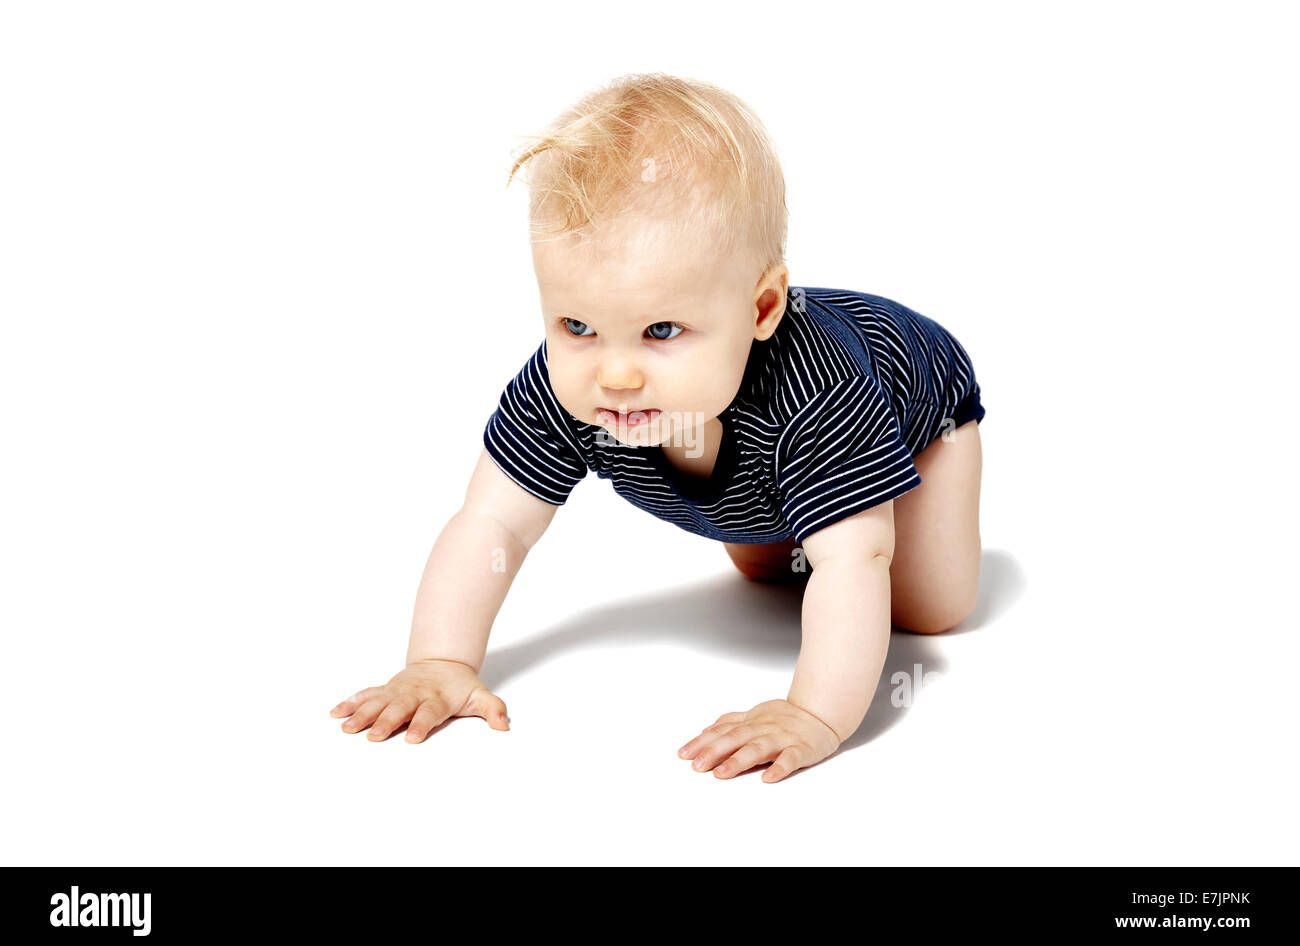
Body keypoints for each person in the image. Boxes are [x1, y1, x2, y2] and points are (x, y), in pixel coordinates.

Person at [330, 73, 985, 783]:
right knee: (767, 566)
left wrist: (814, 712)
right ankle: (792, 520)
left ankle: (821, 513)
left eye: (661, 330)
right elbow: (492, 524)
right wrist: (438, 660)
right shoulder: (565, 387)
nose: (615, 374)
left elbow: (856, 564)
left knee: (925, 607)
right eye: (577, 325)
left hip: (924, 414)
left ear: (762, 309)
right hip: (758, 463)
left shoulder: (822, 395)